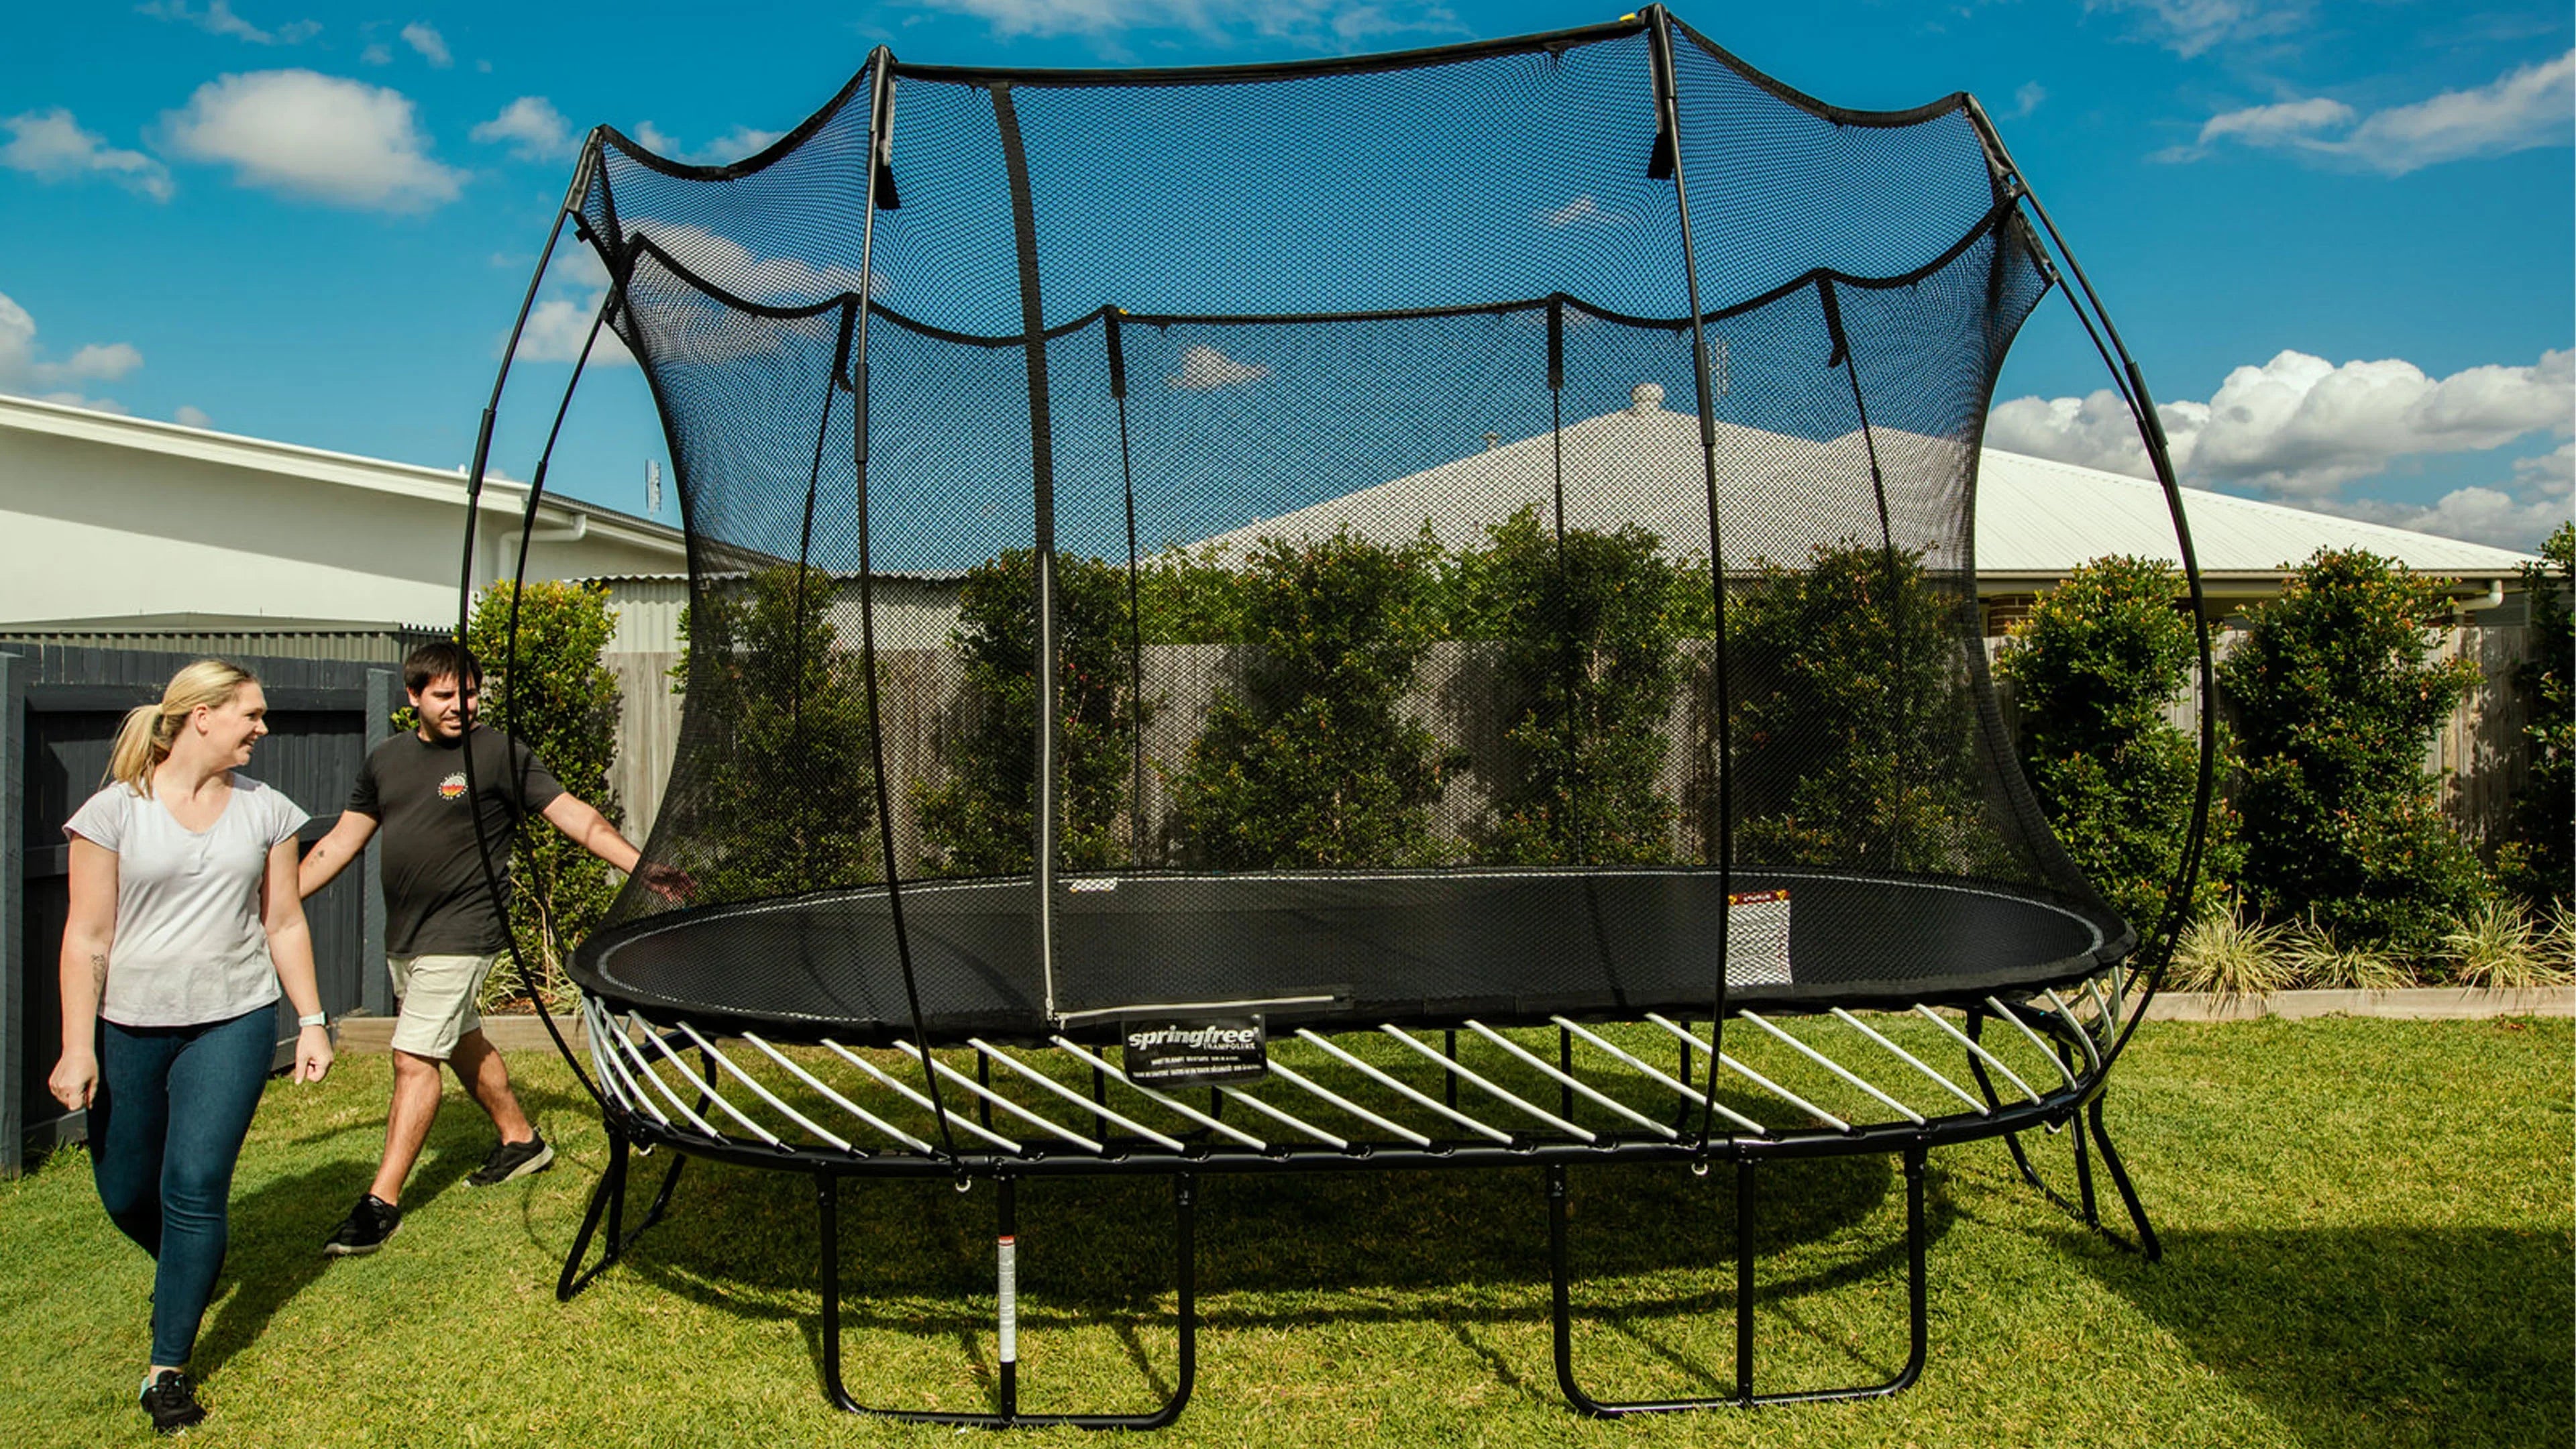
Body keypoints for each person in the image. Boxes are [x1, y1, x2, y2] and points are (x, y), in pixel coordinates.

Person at [297, 639, 678, 1258]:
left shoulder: (497, 753)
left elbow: (576, 817)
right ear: (413, 696)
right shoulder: (386, 761)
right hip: (408, 936)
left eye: (469, 692)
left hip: (465, 930)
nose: (460, 705)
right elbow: (340, 843)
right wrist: (279, 899)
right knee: (460, 1040)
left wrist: (642, 869)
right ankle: (521, 1140)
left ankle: (381, 1203)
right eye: (445, 695)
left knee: (413, 1057)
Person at [52, 659, 335, 1434]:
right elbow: (87, 938)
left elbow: (282, 921)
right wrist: (79, 1049)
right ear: (202, 715)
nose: (262, 727)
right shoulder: (112, 813)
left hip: (233, 1017)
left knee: (197, 1184)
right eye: (251, 713)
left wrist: (311, 1020)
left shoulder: (268, 810)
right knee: (124, 1193)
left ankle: (165, 1368)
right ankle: (191, 1266)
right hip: (129, 1025)